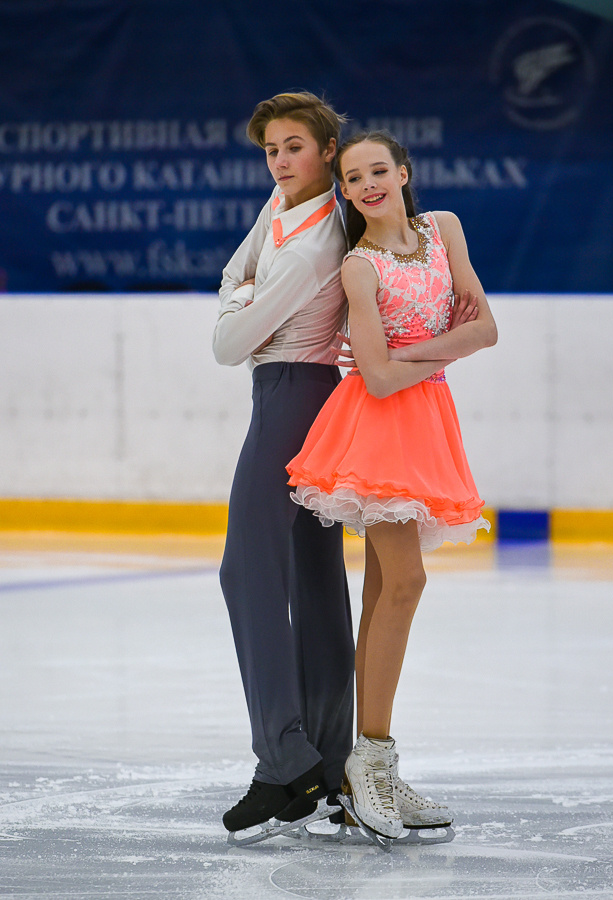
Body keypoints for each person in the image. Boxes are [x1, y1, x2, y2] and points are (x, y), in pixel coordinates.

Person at [286, 131, 498, 839]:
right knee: (404, 584)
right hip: (376, 427)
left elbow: (486, 329)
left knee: (386, 589)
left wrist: (424, 351)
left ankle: (367, 761)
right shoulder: (358, 268)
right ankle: (367, 763)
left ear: (403, 174)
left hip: (427, 419)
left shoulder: (445, 231)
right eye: (354, 177)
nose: (369, 184)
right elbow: (374, 378)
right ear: (344, 192)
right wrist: (447, 345)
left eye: (379, 170)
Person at [213, 92, 355, 836]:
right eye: (271, 149)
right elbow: (234, 275)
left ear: (328, 150)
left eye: (294, 147)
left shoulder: (313, 242)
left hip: (291, 394)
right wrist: (240, 293)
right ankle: (327, 762)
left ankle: (285, 762)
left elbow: (228, 343)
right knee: (310, 574)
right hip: (304, 393)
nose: (280, 161)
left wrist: (239, 300)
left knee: (246, 571)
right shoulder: (278, 207)